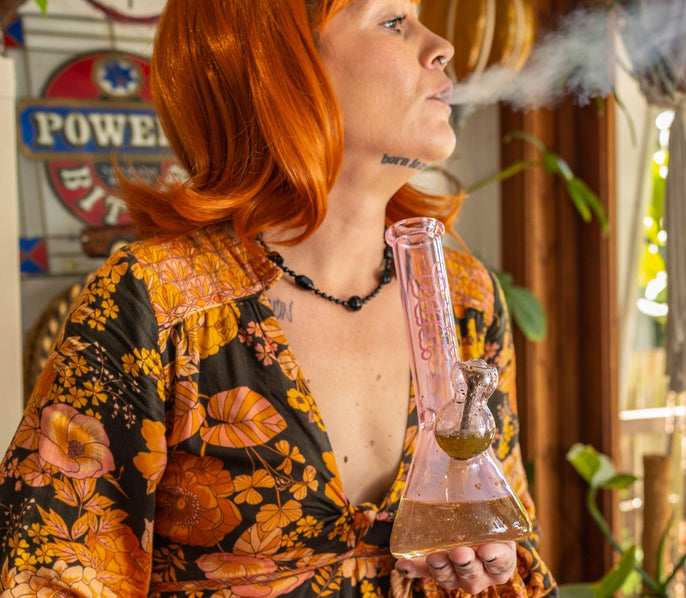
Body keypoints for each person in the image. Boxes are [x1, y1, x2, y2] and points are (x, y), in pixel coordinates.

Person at [0, 1, 557, 596]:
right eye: (394, 21)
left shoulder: (466, 296)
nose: (441, 45)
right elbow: (54, 572)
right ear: (280, 68)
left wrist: (490, 555)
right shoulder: (155, 304)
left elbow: (508, 531)